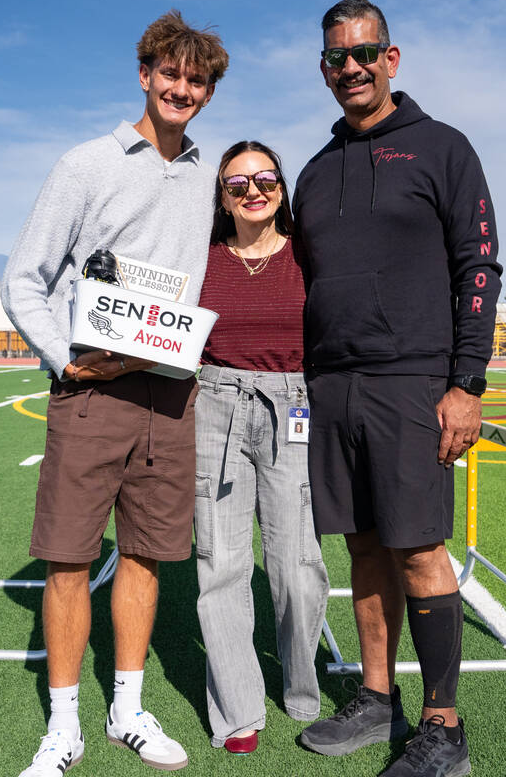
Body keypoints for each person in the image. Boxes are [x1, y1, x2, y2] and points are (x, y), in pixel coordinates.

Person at [0, 10, 228, 776]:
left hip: (170, 397)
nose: (181, 88)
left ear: (207, 91)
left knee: (145, 555)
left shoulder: (209, 176)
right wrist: (67, 360)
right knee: (67, 560)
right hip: (92, 395)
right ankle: (62, 726)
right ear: (145, 74)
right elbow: (22, 281)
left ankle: (126, 709)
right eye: (171, 73)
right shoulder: (85, 164)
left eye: (197, 80)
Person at [292, 0, 502, 777]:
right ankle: (377, 697)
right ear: (324, 68)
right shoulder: (313, 172)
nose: (350, 68)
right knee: (365, 547)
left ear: (392, 58)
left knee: (417, 548)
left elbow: (477, 268)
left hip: (413, 381)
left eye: (363, 53)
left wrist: (467, 382)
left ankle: (443, 727)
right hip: (334, 386)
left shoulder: (443, 150)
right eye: (335, 58)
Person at [193, 142, 330, 755]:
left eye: (265, 178)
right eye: (237, 183)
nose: (253, 190)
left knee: (297, 564)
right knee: (221, 561)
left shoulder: (310, 255)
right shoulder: (202, 259)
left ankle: (301, 684)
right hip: (215, 403)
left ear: (282, 186)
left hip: (292, 406)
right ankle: (237, 708)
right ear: (221, 196)